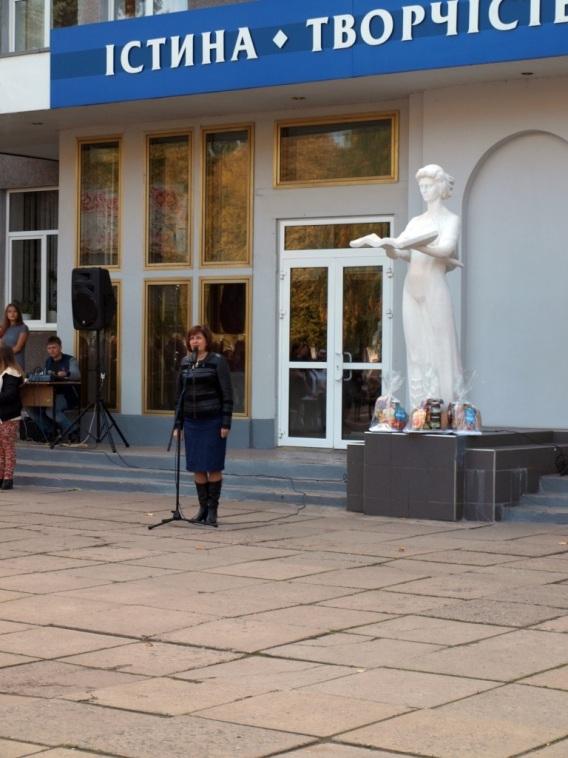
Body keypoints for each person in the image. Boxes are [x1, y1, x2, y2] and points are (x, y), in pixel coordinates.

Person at [351, 164, 463, 407]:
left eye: (428, 186)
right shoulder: (416, 221)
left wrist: (417, 245)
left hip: (434, 287)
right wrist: (389, 247)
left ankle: (445, 406)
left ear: (440, 186)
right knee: (415, 351)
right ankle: (419, 408)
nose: (424, 190)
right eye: (421, 186)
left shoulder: (450, 220)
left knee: (441, 346)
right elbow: (402, 252)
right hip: (411, 289)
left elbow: (445, 249)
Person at [175, 325, 233, 527]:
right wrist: (178, 424)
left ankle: (213, 510)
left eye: (198, 338)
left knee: (213, 465)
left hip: (213, 422)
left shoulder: (217, 361)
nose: (195, 341)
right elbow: (179, 396)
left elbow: (227, 394)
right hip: (192, 423)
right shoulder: (185, 362)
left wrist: (226, 422)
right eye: (192, 338)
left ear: (207, 340)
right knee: (197, 466)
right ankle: (203, 509)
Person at [27, 336, 81, 441]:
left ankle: (73, 431)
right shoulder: (48, 361)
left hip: (67, 395)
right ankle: (50, 431)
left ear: (60, 347)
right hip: (49, 394)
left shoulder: (70, 359)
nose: (51, 350)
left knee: (50, 411)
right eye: (49, 348)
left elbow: (77, 375)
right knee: (31, 408)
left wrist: (66, 373)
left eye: (54, 347)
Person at [0, 345, 24, 490]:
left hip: (8, 416)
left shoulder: (12, 373)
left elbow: (9, 395)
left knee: (8, 448)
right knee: (1, 449)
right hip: (2, 416)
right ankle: (1, 476)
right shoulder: (4, 372)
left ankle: (8, 478)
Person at [0, 303, 29, 371]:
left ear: (18, 313)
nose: (12, 314)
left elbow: (18, 348)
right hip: (4, 363)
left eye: (15, 311)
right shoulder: (4, 328)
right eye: (9, 311)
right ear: (6, 314)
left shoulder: (23, 328)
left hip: (16, 363)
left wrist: (4, 354)